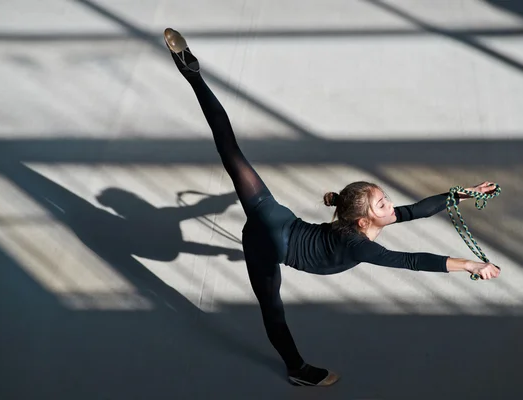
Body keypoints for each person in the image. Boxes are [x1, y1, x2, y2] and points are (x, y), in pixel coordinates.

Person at [162, 28, 501, 387]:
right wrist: (468, 265)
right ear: (364, 218)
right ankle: (296, 369)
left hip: (272, 213)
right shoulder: (358, 243)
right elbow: (411, 260)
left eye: (385, 200)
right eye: (384, 203)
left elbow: (417, 209)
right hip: (266, 240)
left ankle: (194, 77)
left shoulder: (364, 223)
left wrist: (461, 194)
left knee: (230, 151)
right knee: (272, 310)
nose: (392, 207)